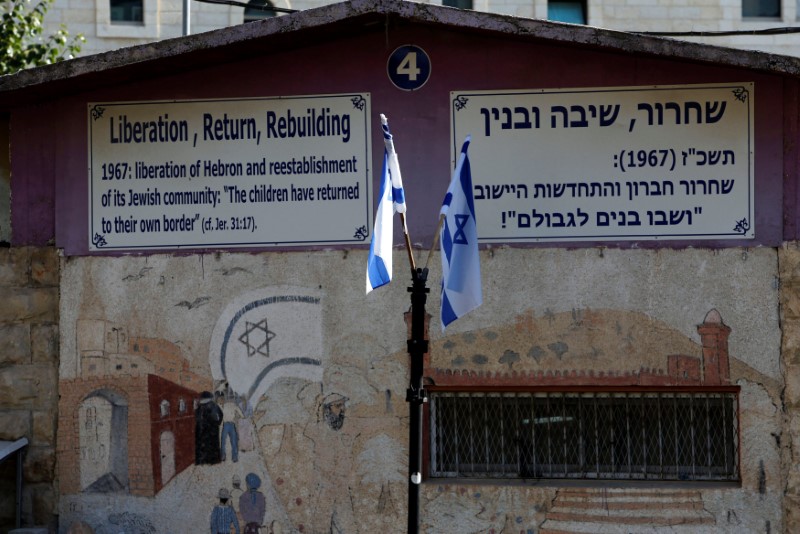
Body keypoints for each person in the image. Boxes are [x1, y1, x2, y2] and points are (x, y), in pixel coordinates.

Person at [196, 391, 223, 465]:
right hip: (213, 429)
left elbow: (196, 419)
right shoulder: (214, 405)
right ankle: (213, 461)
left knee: (203, 445)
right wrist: (218, 423)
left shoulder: (199, 407)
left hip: (202, 429)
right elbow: (220, 415)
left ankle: (203, 461)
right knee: (213, 445)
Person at [220, 394, 244, 463]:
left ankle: (223, 456)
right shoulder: (234, 405)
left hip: (225, 424)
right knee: (233, 441)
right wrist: (242, 417)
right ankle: (234, 457)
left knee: (223, 441)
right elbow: (241, 413)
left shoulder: (224, 405)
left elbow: (221, 413)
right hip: (231, 424)